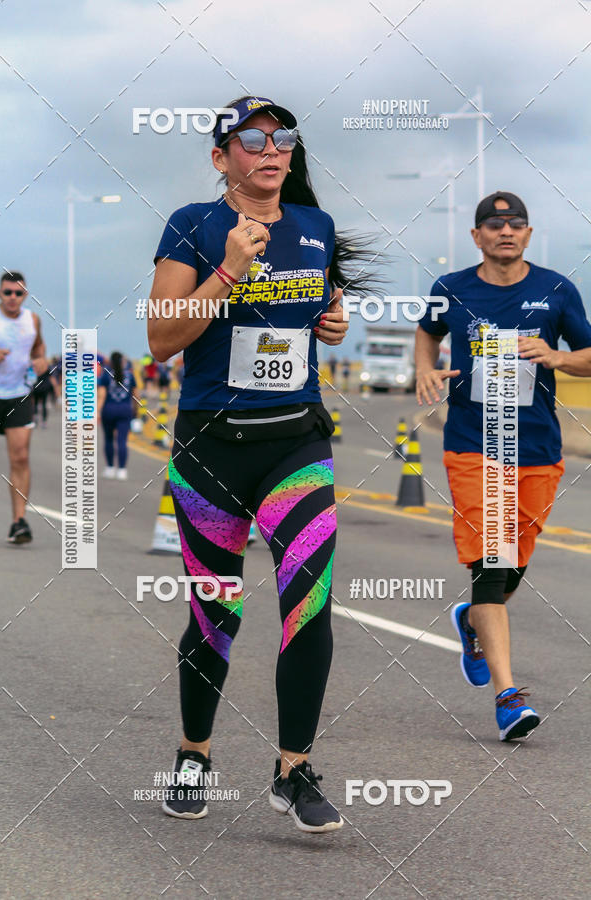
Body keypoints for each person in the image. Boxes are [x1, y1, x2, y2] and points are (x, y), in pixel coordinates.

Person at [149, 95, 376, 831]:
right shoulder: (193, 225)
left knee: (309, 604)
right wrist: (227, 272)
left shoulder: (315, 227)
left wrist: (333, 321)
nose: (270, 148)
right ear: (222, 158)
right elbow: (160, 341)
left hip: (296, 443)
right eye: (251, 138)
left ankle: (293, 770)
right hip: (211, 450)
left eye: (282, 137)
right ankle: (193, 755)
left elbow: (316, 313)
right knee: (216, 613)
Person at [416, 191, 591, 741]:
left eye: (516, 224)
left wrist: (559, 357)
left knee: (513, 561)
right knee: (492, 564)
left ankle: (470, 620)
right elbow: (428, 330)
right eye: (494, 225)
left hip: (537, 447)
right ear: (477, 237)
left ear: (529, 234)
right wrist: (425, 369)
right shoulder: (452, 289)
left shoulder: (557, 290)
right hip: (472, 443)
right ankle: (508, 697)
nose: (506, 232)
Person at [0, 271, 48, 543]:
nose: (13, 298)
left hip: (19, 395)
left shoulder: (32, 320)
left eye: (18, 293)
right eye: (7, 292)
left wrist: (41, 360)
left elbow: (38, 348)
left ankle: (19, 522)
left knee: (20, 457)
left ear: (25, 295)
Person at [97, 351, 139, 480]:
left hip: (108, 410)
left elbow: (102, 395)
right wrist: (135, 411)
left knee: (109, 439)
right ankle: (122, 470)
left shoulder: (106, 375)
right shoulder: (130, 376)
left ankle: (110, 468)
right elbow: (136, 396)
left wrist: (97, 411)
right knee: (122, 440)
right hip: (125, 410)